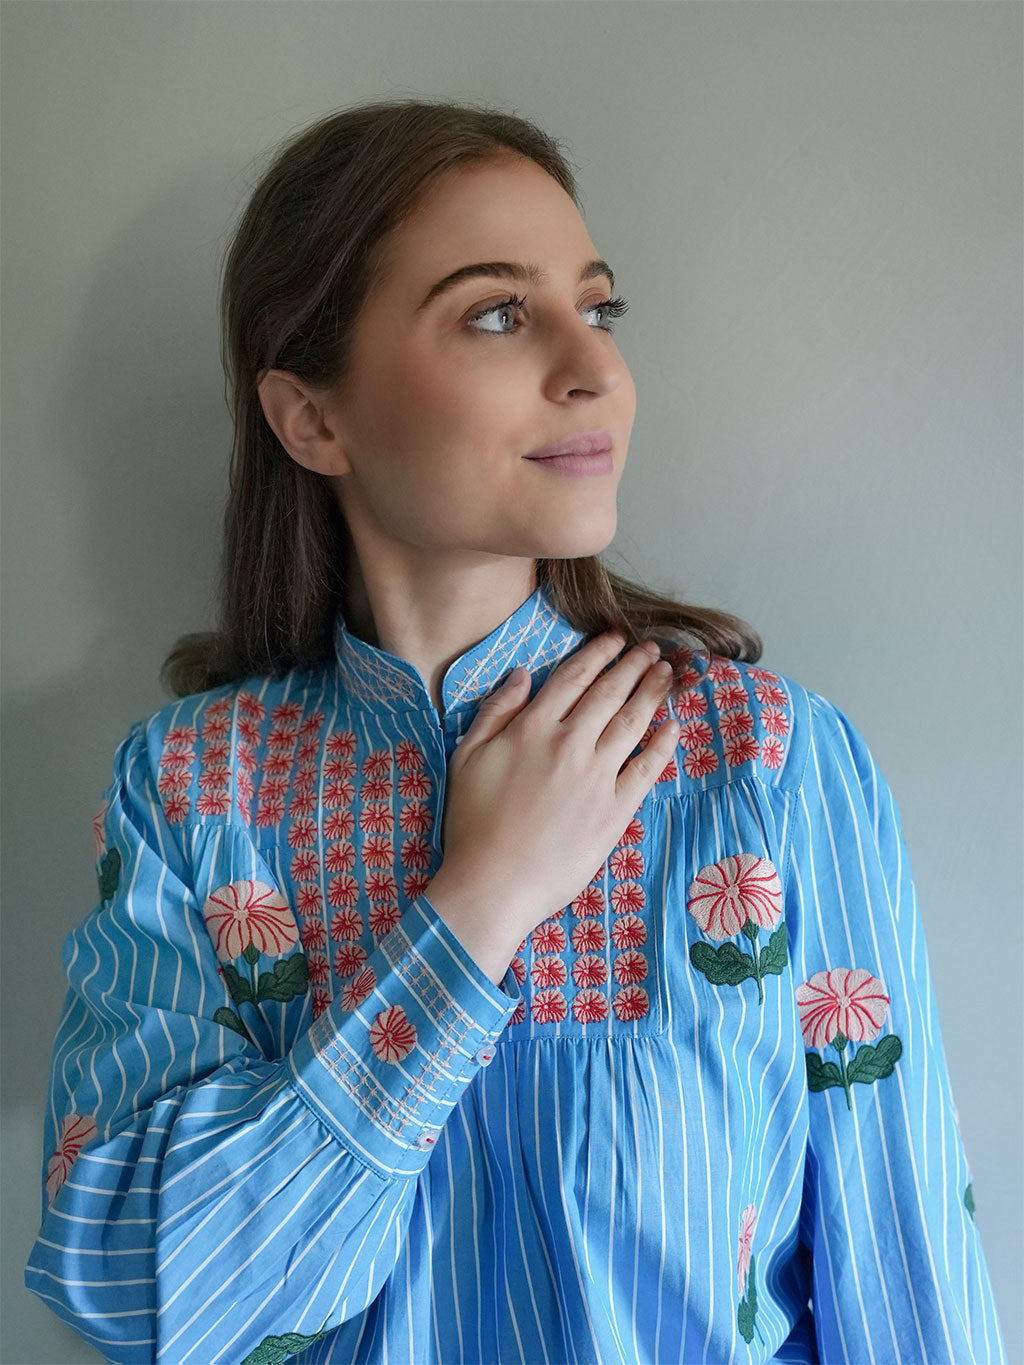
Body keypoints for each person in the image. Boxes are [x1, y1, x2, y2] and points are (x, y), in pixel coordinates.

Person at [25, 97, 1006, 1365]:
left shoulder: (764, 761)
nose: (591, 366)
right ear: (310, 418)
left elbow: (904, 1275)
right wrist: (477, 905)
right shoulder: (193, 788)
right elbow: (142, 1288)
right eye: (497, 312)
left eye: (597, 308)